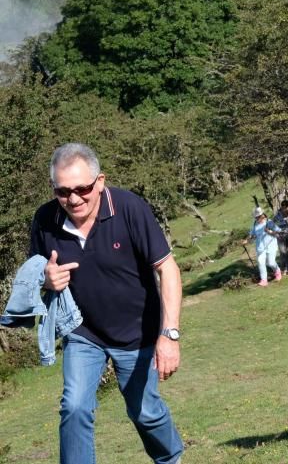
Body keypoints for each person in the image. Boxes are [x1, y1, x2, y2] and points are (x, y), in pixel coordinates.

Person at [28, 143, 184, 464]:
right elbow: (35, 276)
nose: (74, 199)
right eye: (63, 191)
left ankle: (170, 458)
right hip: (83, 333)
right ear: (53, 188)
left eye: (83, 188)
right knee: (74, 407)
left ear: (100, 181)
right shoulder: (44, 220)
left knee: (145, 413)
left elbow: (167, 268)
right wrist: (46, 280)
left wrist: (169, 335)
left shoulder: (128, 208)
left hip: (137, 332)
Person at [245, 206, 281, 287]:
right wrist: (246, 241)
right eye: (256, 217)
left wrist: (269, 231)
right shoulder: (255, 224)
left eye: (258, 217)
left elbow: (278, 231)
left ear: (262, 215)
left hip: (271, 246)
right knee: (261, 262)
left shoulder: (269, 222)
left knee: (271, 263)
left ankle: (277, 271)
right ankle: (264, 280)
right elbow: (251, 234)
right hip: (260, 248)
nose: (257, 218)